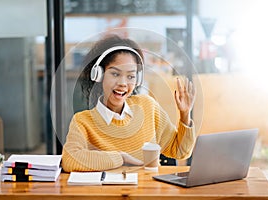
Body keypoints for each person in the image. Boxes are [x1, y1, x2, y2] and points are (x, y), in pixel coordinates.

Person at [62, 34, 196, 172]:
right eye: (115, 74)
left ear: (137, 80)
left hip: (150, 192)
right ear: (99, 75)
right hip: (109, 193)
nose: (123, 83)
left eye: (131, 76)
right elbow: (70, 160)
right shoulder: (83, 121)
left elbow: (180, 152)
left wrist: (185, 114)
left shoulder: (148, 106)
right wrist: (121, 158)